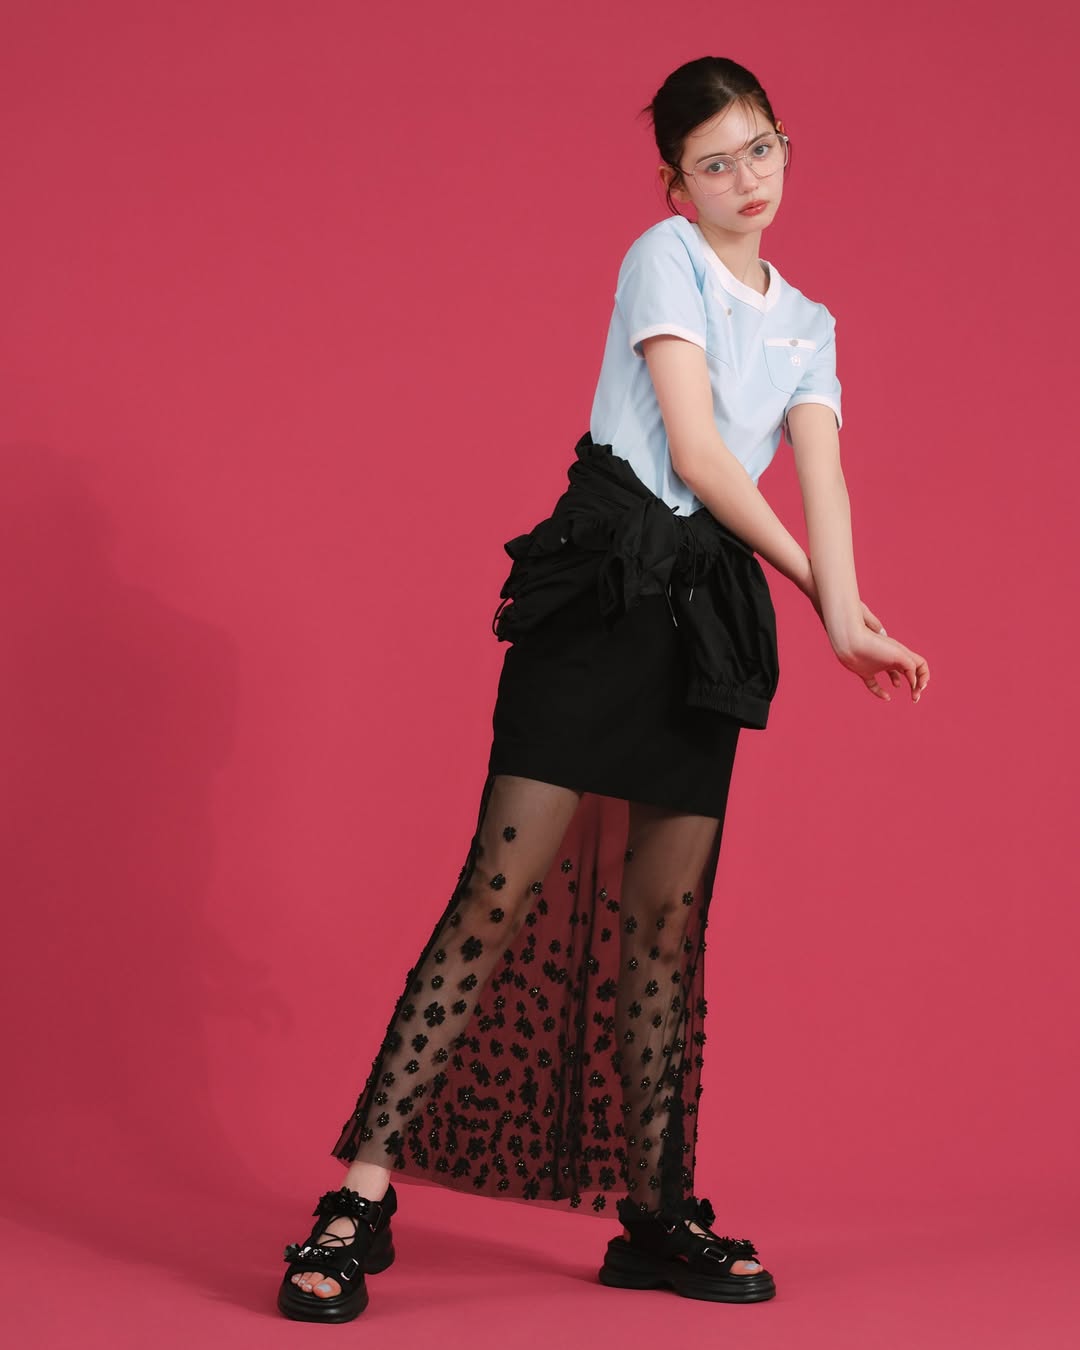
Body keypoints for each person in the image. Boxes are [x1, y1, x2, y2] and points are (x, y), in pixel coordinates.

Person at [276, 55, 930, 1323]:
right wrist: (821, 597)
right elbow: (696, 452)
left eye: (761, 148)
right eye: (715, 163)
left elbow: (824, 475)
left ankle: (657, 1214)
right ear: (676, 184)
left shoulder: (811, 324)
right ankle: (359, 1199)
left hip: (704, 627)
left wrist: (850, 614)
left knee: (665, 930)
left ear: (786, 146)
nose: (747, 179)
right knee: (495, 892)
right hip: (607, 589)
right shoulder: (664, 257)